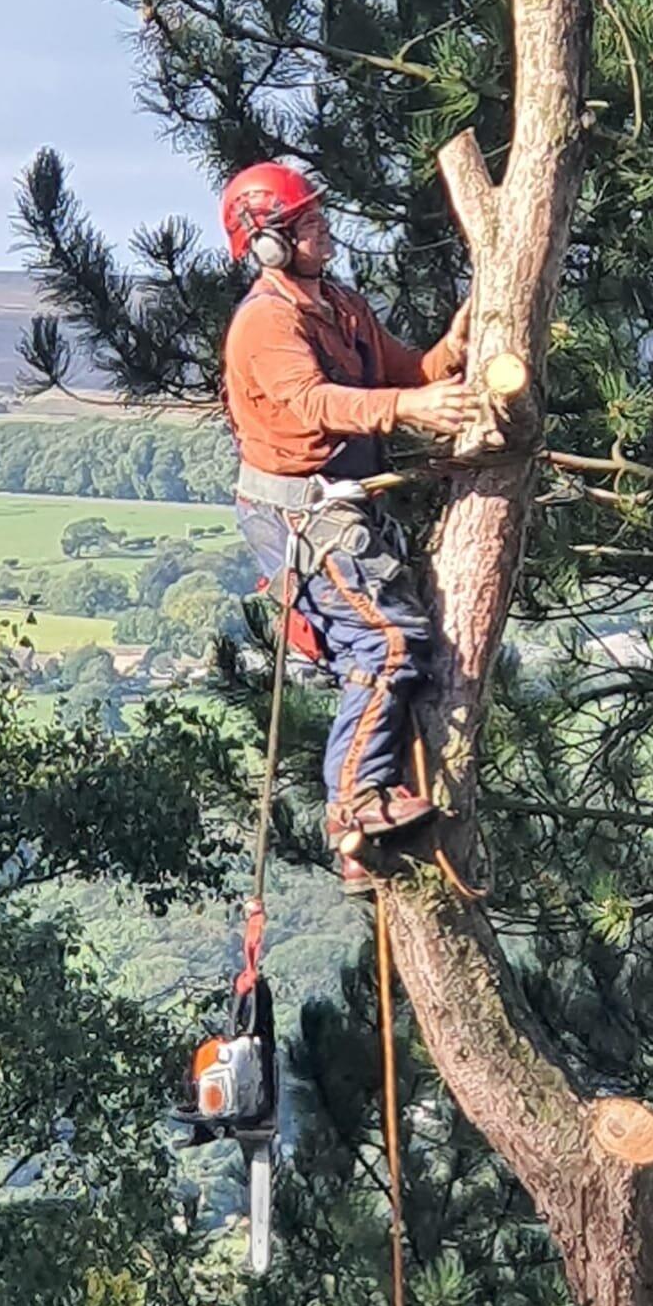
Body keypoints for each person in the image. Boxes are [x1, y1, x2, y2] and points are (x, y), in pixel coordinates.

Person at [221, 161, 479, 895]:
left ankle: (367, 839)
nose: (322, 228)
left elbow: (405, 372)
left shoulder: (341, 305)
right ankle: (356, 811)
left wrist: (452, 354)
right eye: (306, 221)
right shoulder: (267, 323)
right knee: (387, 641)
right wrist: (409, 411)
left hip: (340, 500)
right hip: (301, 511)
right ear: (269, 242)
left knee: (383, 648)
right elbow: (315, 405)